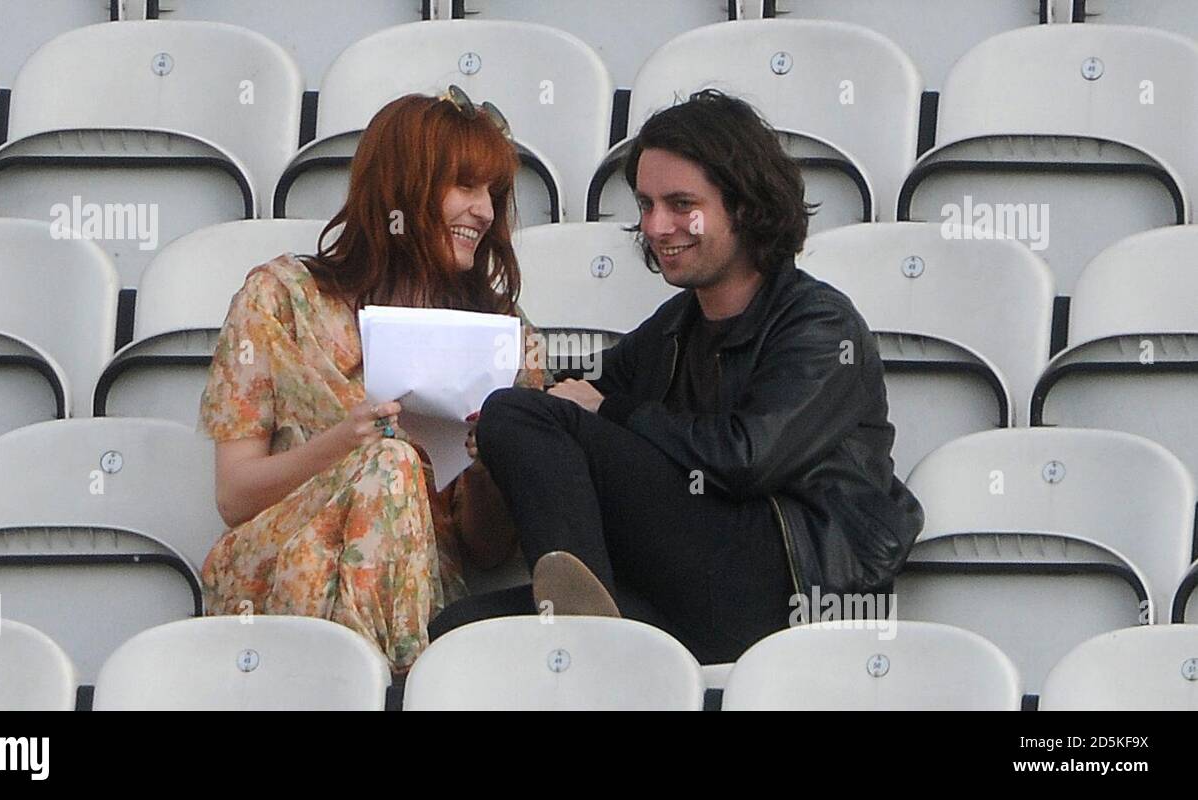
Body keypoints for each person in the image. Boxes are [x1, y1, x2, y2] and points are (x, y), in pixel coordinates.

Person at [431, 89, 924, 665]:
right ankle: (584, 625)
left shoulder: (819, 324)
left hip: (782, 590)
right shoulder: (677, 326)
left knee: (519, 413)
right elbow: (571, 401)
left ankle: (582, 638)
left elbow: (748, 457)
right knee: (458, 633)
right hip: (686, 594)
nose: (658, 226)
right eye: (645, 204)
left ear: (745, 204)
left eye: (681, 204)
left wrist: (598, 412)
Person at [197, 89, 542, 674]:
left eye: (493, 194)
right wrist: (347, 444)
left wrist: (486, 465)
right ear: (402, 187)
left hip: (422, 587)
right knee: (391, 461)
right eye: (464, 185)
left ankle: (344, 681)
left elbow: (485, 550)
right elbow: (235, 497)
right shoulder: (281, 297)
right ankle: (391, 688)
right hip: (274, 571)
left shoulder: (500, 334)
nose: (484, 211)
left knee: (394, 466)